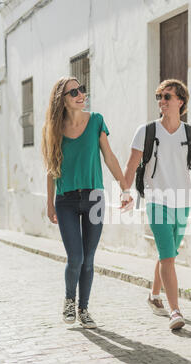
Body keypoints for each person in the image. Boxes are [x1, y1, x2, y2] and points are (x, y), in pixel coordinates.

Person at [124, 79, 191, 330]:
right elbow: (131, 164)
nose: (161, 101)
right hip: (156, 200)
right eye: (159, 97)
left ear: (180, 101)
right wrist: (125, 191)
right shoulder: (146, 131)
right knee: (168, 255)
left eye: (167, 96)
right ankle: (175, 310)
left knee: (169, 255)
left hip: (182, 202)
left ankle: (154, 296)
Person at [42, 76, 131, 328]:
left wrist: (125, 187)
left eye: (82, 89)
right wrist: (49, 204)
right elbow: (50, 170)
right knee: (76, 257)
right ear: (62, 99)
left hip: (94, 198)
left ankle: (84, 309)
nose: (81, 94)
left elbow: (110, 157)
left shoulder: (96, 121)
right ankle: (69, 300)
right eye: (74, 92)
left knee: (89, 258)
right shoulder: (53, 129)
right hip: (66, 200)